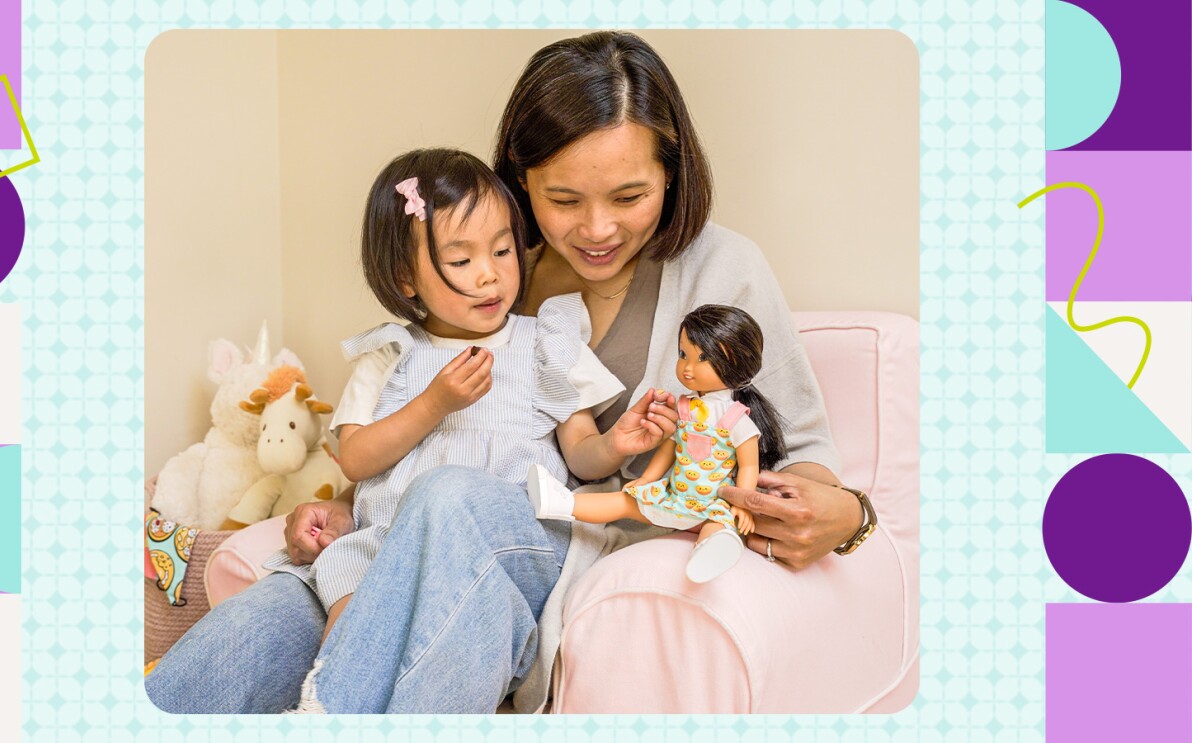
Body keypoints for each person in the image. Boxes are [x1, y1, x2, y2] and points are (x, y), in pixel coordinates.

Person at [146, 30, 870, 714]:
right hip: (423, 542)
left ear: (672, 174)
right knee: (272, 614)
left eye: (628, 197)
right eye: (562, 200)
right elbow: (416, 429)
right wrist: (360, 505)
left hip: (561, 535)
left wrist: (847, 515)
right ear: (521, 182)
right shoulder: (491, 278)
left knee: (452, 498)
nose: (595, 229)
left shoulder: (721, 272)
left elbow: (804, 456)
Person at [252, 147, 678, 711]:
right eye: (461, 261)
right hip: (382, 544)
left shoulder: (544, 343)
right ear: (406, 277)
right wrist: (433, 404)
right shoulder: (388, 356)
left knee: (435, 547)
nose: (491, 274)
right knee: (350, 619)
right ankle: (330, 702)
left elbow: (580, 455)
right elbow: (355, 460)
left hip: (498, 542)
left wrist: (616, 443)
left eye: (503, 250)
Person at [529, 304, 786, 583]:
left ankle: (710, 553)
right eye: (683, 354)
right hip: (676, 496)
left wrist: (742, 505)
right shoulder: (685, 407)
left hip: (714, 502)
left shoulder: (736, 419)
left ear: (736, 363)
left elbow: (749, 466)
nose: (687, 368)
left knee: (719, 527)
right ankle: (561, 504)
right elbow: (670, 449)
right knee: (625, 503)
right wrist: (648, 479)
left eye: (703, 359)